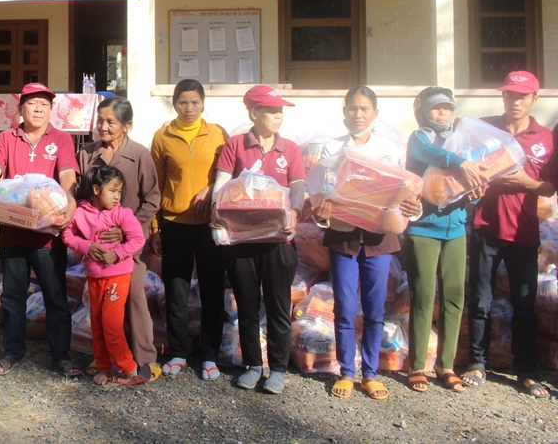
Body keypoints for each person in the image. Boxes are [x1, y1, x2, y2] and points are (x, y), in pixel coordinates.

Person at [310, 86, 421, 400]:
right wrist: (322, 212)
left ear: (375, 112)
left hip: (379, 239)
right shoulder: (332, 149)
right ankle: (347, 371)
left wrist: (415, 207)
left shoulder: (391, 149)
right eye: (352, 109)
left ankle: (370, 373)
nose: (358, 115)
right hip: (343, 237)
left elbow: (405, 194)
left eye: (364, 109)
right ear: (344, 111)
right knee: (345, 307)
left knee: (374, 308)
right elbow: (321, 193)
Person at [0, 82, 80, 377]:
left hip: (48, 236)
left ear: (50, 110)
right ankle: (12, 352)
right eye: (33, 104)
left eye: (45, 104)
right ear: (21, 109)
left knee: (55, 296)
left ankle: (61, 355)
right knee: (13, 296)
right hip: (12, 232)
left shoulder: (61, 139)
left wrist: (70, 203)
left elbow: (68, 174)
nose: (39, 109)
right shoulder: (7, 138)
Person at [464, 71, 555, 397]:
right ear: (502, 97)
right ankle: (477, 363)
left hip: (524, 231)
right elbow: (461, 167)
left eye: (521, 96)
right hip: (484, 227)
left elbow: (550, 185)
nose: (514, 102)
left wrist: (525, 184)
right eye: (509, 95)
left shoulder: (546, 137)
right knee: (480, 300)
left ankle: (526, 371)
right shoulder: (483, 127)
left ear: (534, 99)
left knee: (525, 303)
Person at [213, 84, 304, 394]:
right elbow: (222, 185)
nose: (279, 116)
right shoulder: (235, 145)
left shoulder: (290, 149)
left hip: (279, 243)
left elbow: (299, 187)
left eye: (281, 111)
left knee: (278, 306)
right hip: (243, 243)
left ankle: (277, 368)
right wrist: (217, 209)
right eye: (272, 111)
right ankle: (253, 364)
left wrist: (296, 211)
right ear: (254, 113)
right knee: (248, 306)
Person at [403, 86, 487, 393]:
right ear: (422, 112)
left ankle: (446, 364)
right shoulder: (420, 139)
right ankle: (416, 365)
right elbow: (431, 156)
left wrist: (477, 190)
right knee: (424, 296)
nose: (443, 113)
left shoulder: (463, 144)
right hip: (423, 227)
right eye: (436, 108)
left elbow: (470, 184)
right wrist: (461, 162)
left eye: (447, 108)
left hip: (456, 229)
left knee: (454, 297)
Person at [78, 96, 161, 381]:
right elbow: (81, 197)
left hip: (130, 245)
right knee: (101, 306)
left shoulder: (139, 154)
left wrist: (129, 230)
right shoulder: (87, 154)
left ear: (126, 126)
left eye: (110, 122)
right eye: (99, 120)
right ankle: (105, 359)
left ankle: (144, 359)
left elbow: (151, 199)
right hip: (97, 248)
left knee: (135, 296)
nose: (103, 126)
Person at [149, 79, 227, 380]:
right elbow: (155, 183)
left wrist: (210, 189)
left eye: (195, 102)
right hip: (174, 223)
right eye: (183, 102)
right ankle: (178, 351)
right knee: (177, 290)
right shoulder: (162, 137)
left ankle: (210, 355)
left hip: (210, 225)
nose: (189, 108)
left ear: (203, 103)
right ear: (174, 103)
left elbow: (227, 174)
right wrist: (155, 226)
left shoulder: (218, 134)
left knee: (212, 288)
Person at [62, 165, 147, 385]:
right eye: (112, 191)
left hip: (118, 275)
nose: (117, 196)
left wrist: (116, 255)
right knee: (97, 323)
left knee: (110, 323)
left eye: (120, 191)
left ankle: (128, 368)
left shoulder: (122, 214)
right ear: (97, 189)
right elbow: (67, 235)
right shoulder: (80, 212)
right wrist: (86, 246)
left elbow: (138, 239)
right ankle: (103, 366)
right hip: (94, 276)